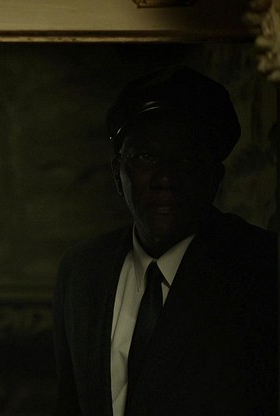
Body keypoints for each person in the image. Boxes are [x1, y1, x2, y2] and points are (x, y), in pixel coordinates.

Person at [52, 66, 278, 416]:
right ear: (117, 174)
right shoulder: (82, 272)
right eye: (146, 157)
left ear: (214, 177)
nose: (165, 178)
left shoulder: (261, 269)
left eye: (185, 159)